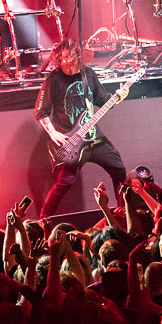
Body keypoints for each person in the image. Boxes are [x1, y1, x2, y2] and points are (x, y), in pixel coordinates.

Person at [34, 38, 129, 220]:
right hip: (71, 141)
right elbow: (41, 111)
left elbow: (102, 100)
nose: (69, 61)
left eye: (73, 56)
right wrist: (53, 132)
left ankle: (121, 213)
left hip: (94, 138)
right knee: (65, 182)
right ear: (59, 59)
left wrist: (118, 97)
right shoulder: (53, 79)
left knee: (118, 169)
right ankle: (44, 219)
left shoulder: (88, 74)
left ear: (79, 56)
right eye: (65, 57)